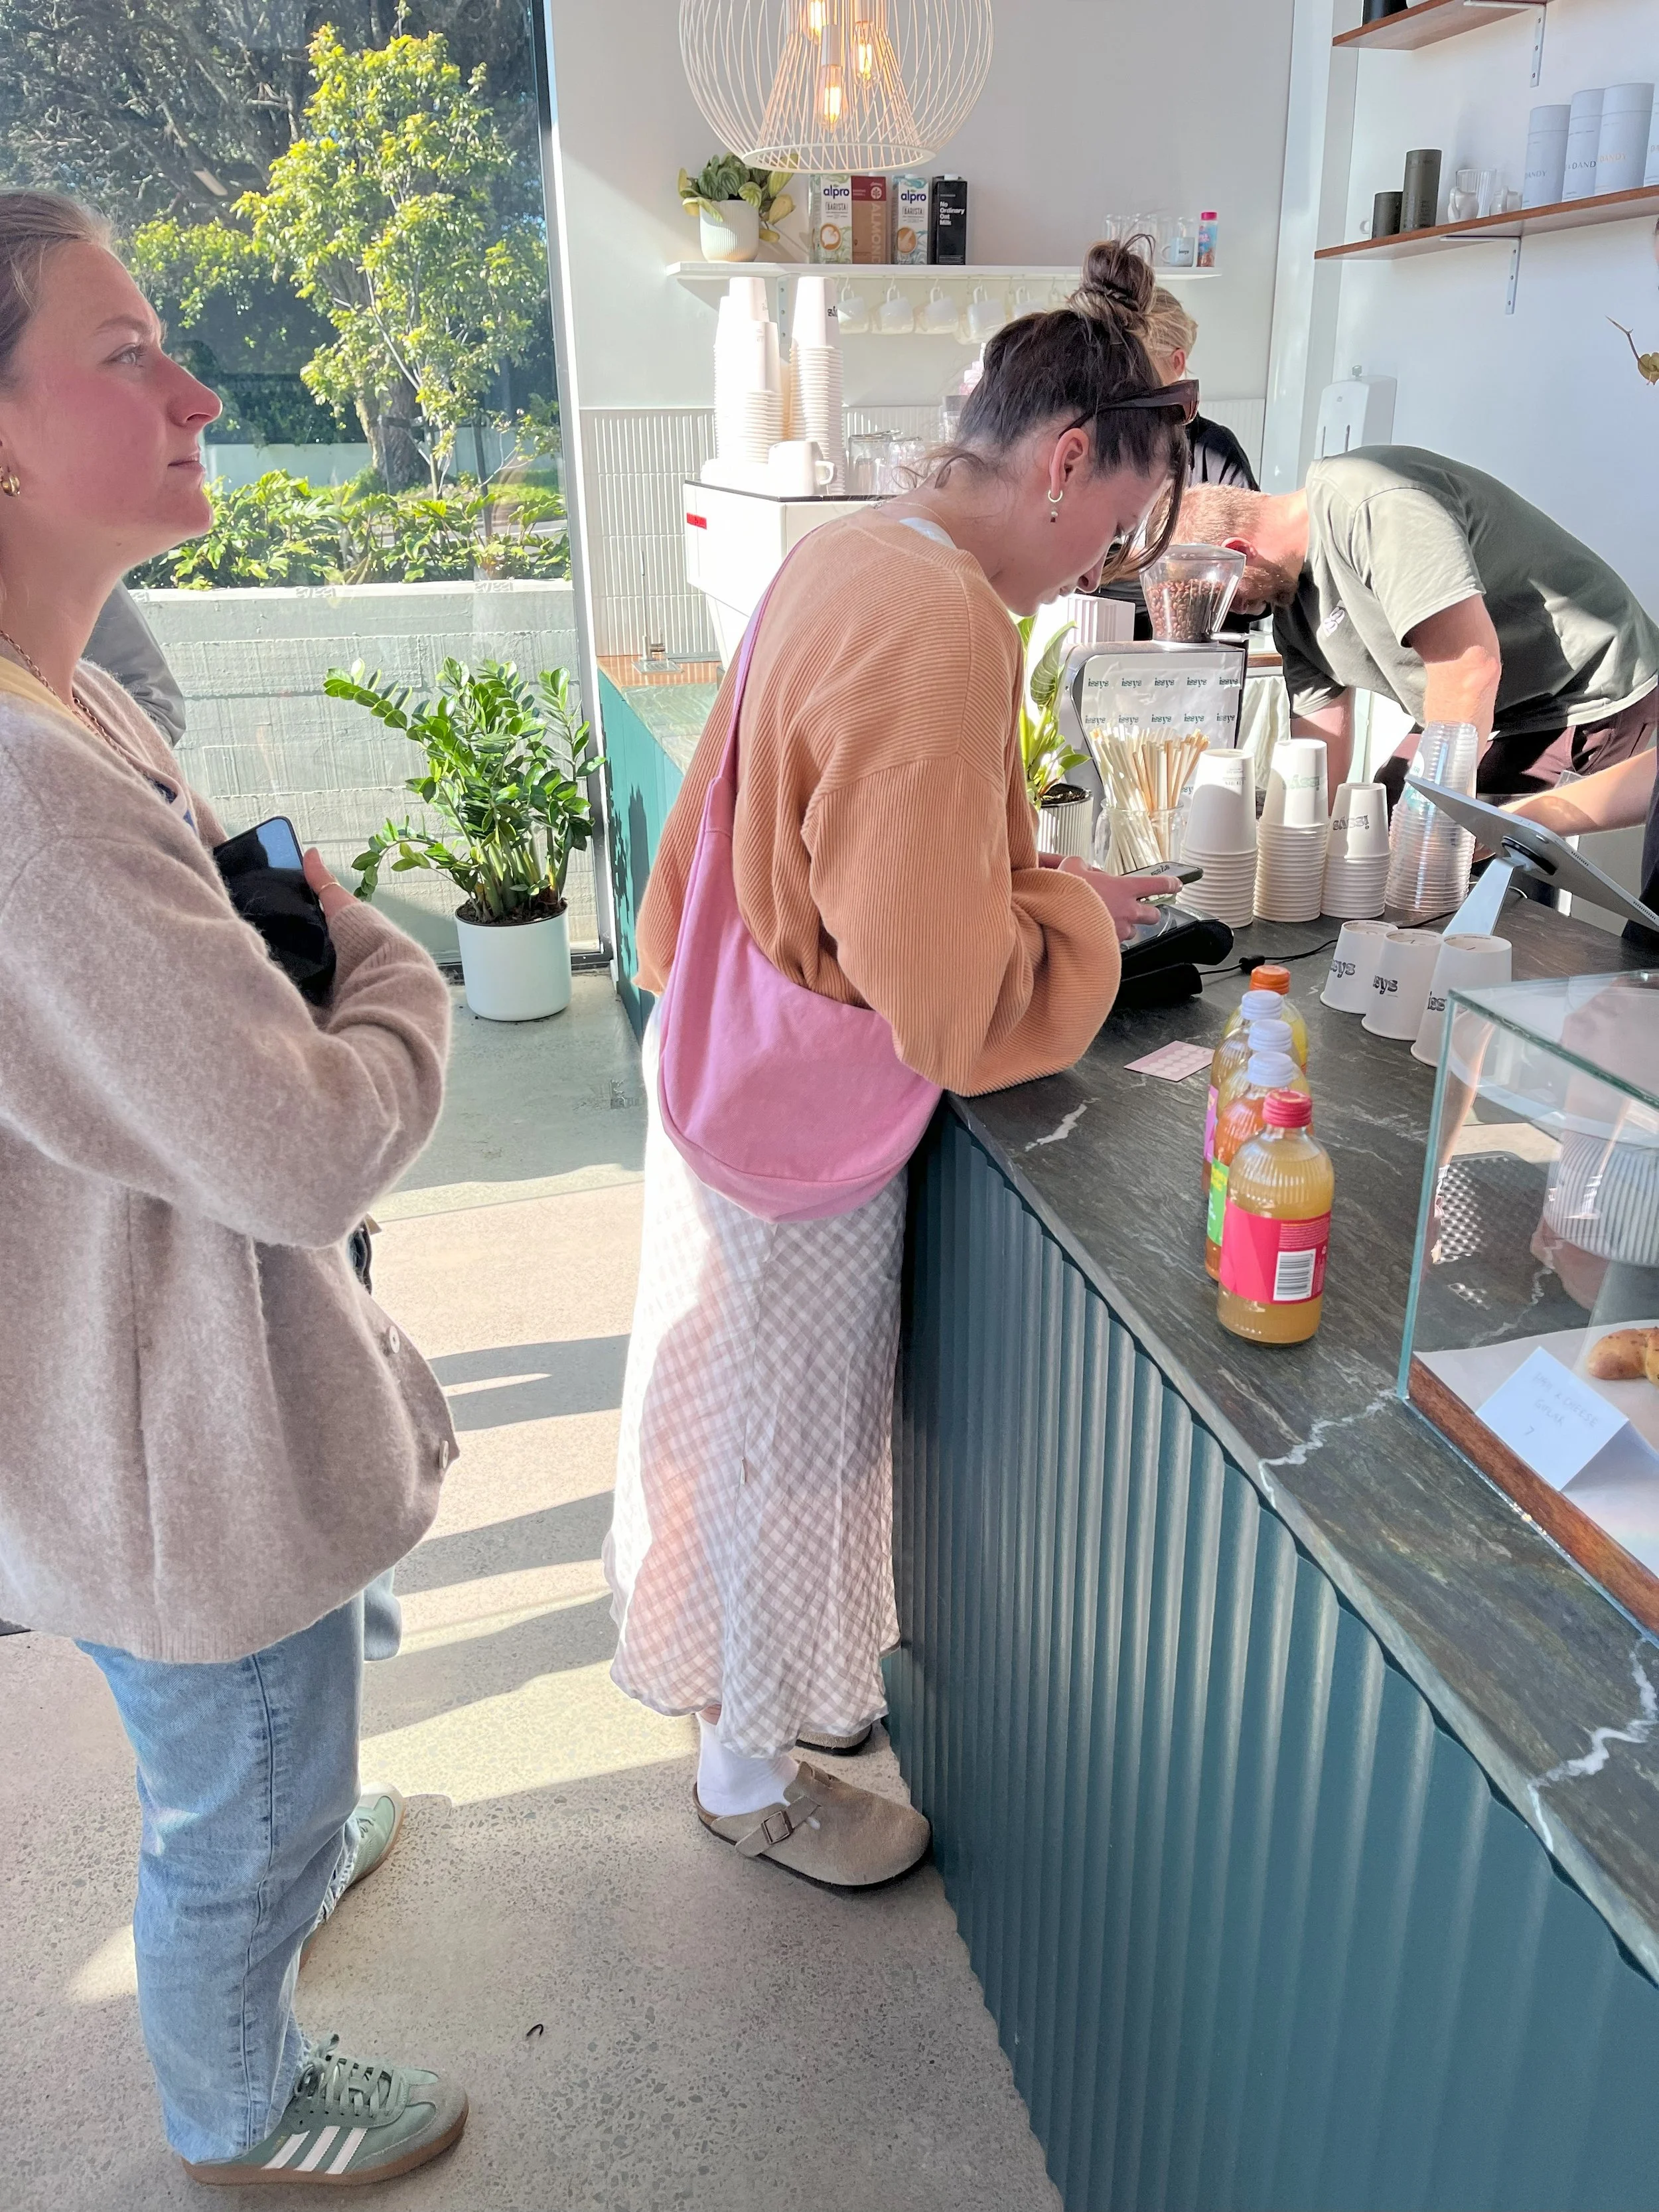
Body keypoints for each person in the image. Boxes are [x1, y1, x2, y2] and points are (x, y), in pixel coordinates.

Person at [606, 239, 1191, 1889]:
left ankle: (756, 1710)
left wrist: (1040, 886)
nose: (1106, 561)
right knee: (785, 1441)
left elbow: (751, 807)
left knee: (719, 1406)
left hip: (728, 1047)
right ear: (1069, 460)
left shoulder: (857, 547)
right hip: (806, 1109)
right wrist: (1072, 920)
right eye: (1124, 523)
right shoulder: (943, 625)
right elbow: (938, 994)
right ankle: (747, 1770)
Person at [0, 193, 469, 2187]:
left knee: (263, 1757)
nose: (196, 392)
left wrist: (313, 952)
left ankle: (298, 1818)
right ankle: (236, 2097)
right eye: (127, 356)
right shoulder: (28, 784)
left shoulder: (71, 695)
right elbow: (301, 1136)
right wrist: (403, 982)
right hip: (167, 1446)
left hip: (142, 1400)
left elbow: (254, 906)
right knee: (234, 1810)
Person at [1179, 451, 1659, 796]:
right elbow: (1319, 754)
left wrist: (1431, 830)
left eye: (1223, 600)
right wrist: (1298, 842)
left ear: (1240, 554)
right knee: (1375, 825)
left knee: (1466, 863)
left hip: (1580, 691)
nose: (1230, 616)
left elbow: (1469, 670)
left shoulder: (1373, 504)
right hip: (1491, 705)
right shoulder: (1288, 607)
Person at [1102, 283, 1257, 640]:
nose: (1119, 383)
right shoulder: (1098, 445)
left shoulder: (1213, 450)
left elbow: (1248, 575)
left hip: (1188, 647)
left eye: (1135, 367)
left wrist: (1138, 564)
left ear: (1177, 364)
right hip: (1094, 631)